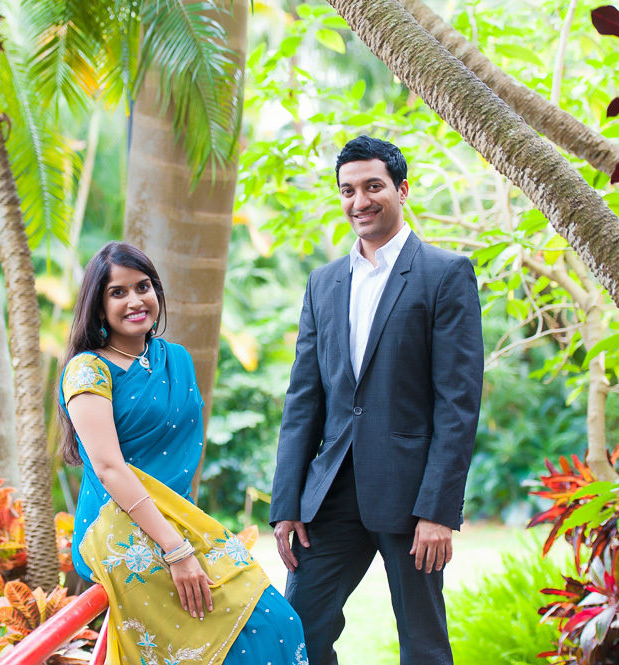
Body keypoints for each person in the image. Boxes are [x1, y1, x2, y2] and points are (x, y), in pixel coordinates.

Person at [269, 135, 484, 665]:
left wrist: (438, 511)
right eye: (347, 190)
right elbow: (303, 399)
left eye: (372, 186)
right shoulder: (322, 284)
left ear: (401, 189)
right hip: (332, 493)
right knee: (296, 633)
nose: (359, 201)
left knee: (423, 643)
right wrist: (287, 503)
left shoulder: (445, 274)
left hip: (411, 500)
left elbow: (458, 404)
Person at [57, 241, 308, 665]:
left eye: (143, 286)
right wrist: (176, 550)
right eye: (117, 292)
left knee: (279, 624)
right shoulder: (88, 370)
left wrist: (183, 541)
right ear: (98, 307)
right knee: (218, 645)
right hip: (117, 528)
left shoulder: (175, 359)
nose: (135, 300)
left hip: (179, 520)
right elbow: (107, 467)